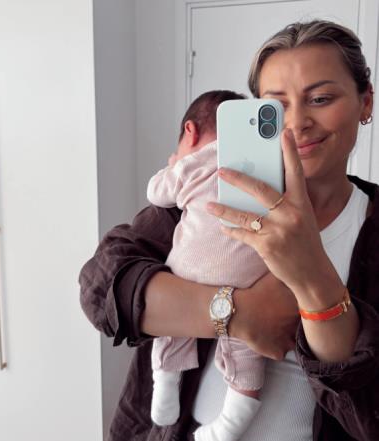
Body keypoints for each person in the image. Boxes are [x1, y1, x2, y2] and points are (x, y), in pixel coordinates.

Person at [79, 20, 379, 441]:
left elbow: (369, 416)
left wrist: (314, 276)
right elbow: (100, 286)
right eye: (276, 106)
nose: (297, 122)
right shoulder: (220, 187)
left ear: (365, 102)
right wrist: (239, 314)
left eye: (321, 99)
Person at [146, 90, 270, 441]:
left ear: (191, 131)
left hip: (189, 275)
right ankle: (229, 427)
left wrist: (173, 165)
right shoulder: (267, 168)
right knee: (247, 355)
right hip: (250, 279)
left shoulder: (191, 163)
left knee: (171, 326)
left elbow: (156, 193)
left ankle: (165, 385)